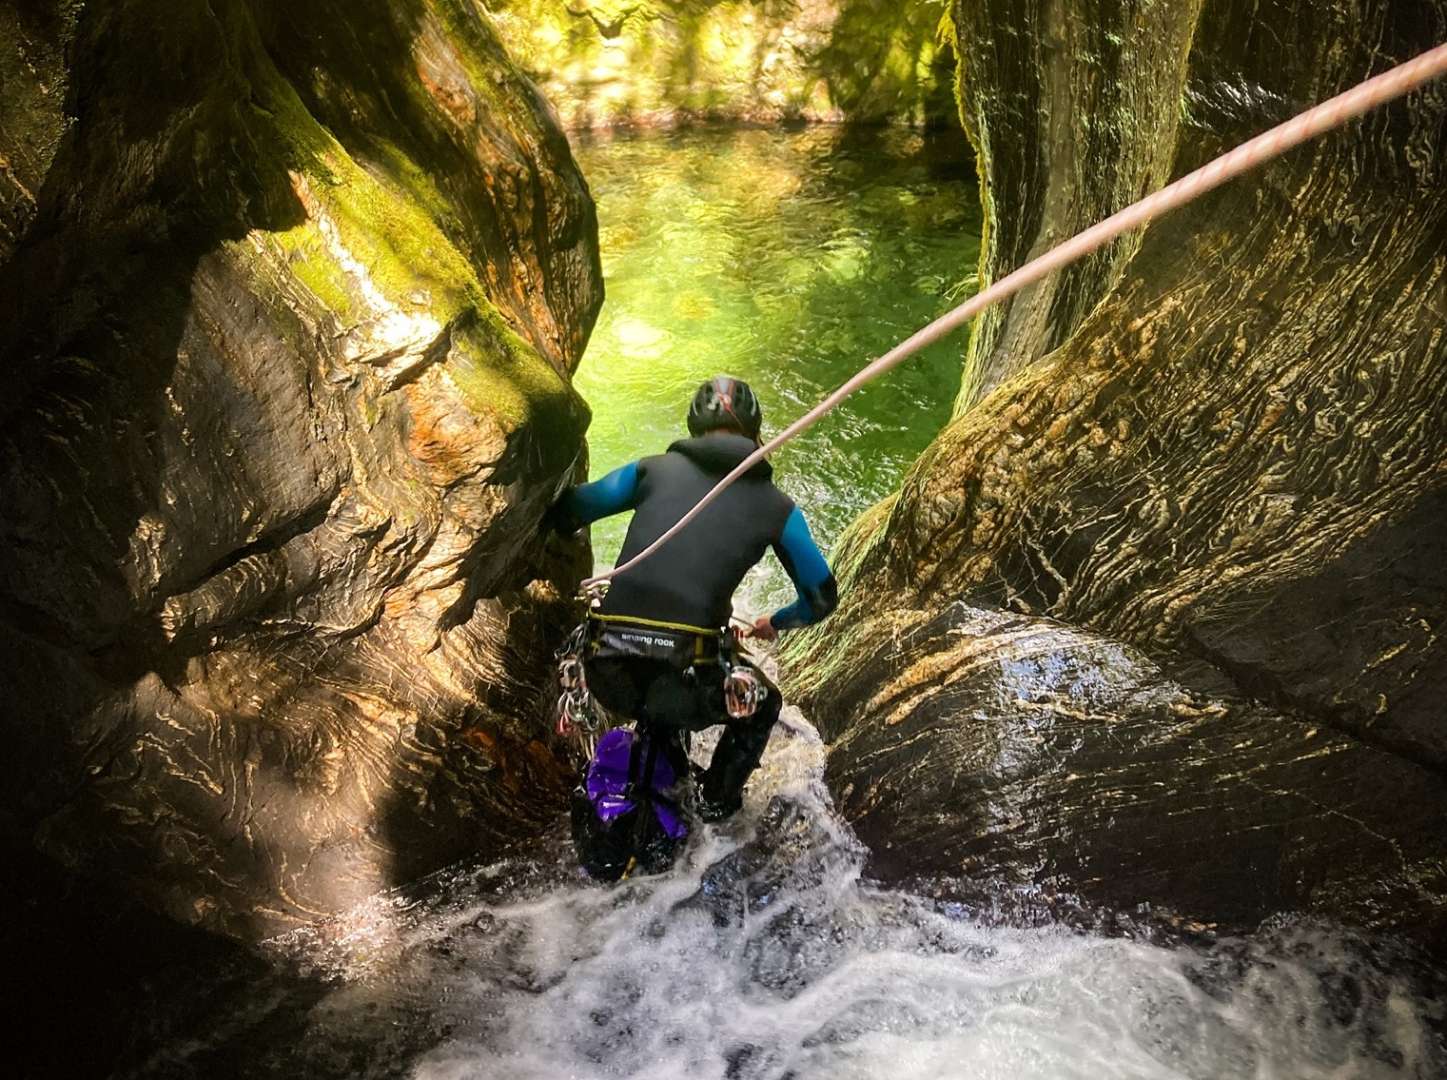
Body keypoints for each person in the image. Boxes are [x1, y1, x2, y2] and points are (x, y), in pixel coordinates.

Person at [546, 376, 838, 822]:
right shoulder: (778, 508)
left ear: (692, 425)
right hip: (684, 685)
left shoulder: (648, 471)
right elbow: (820, 596)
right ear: (757, 429)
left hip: (607, 671)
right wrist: (775, 622)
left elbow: (575, 507)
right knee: (764, 704)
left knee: (660, 677)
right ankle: (715, 804)